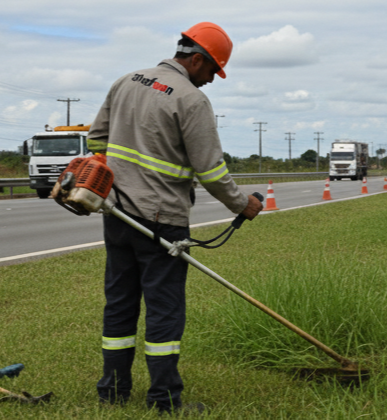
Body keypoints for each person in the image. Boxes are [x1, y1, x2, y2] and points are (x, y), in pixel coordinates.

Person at [87, 22, 263, 413]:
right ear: (196, 59)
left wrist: (114, 177)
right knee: (164, 310)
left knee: (119, 302)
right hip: (161, 219)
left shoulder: (126, 81)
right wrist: (242, 205)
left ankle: (111, 392)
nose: (212, 82)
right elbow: (211, 170)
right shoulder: (190, 100)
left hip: (116, 213)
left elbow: (97, 140)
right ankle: (164, 400)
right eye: (212, 72)